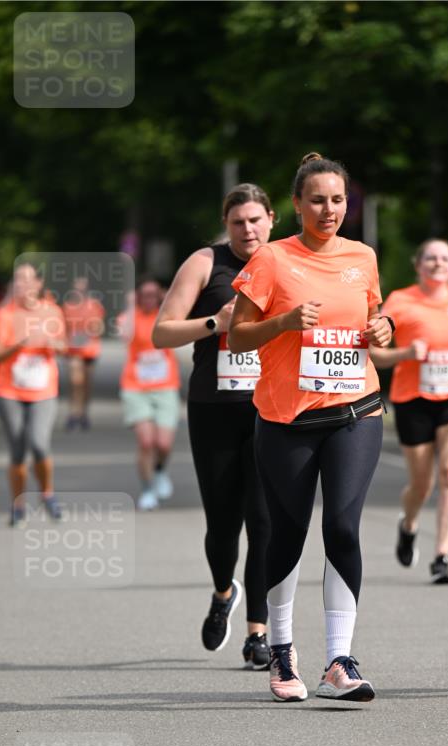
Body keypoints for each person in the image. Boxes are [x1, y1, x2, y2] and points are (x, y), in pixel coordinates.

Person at [228, 152, 393, 703]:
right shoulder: (273, 259)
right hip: (286, 419)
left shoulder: (363, 256)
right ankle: (280, 650)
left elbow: (374, 320)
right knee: (289, 533)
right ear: (296, 205)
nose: (329, 210)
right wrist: (283, 322)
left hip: (356, 409)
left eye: (338, 200)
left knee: (343, 526)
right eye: (318, 200)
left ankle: (340, 661)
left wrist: (383, 329)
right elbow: (238, 338)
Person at [153, 184, 275, 668]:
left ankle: (258, 634)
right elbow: (162, 331)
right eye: (237, 222)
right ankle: (224, 591)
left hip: (272, 409)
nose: (247, 229)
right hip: (214, 408)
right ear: (227, 225)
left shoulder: (290, 262)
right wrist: (215, 323)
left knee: (264, 524)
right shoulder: (206, 262)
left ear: (272, 220)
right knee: (223, 524)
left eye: (255, 220)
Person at [370, 240, 448, 584]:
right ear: (418, 265)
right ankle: (408, 524)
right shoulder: (400, 302)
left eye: (445, 258)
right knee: (422, 484)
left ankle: (442, 557)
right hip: (413, 398)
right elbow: (377, 355)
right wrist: (405, 353)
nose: (438, 263)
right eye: (431, 258)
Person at [0, 262, 67, 525]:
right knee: (18, 450)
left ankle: (47, 494)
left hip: (43, 390)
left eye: (27, 279)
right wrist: (19, 343)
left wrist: (52, 343)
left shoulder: (52, 311)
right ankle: (18, 503)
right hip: (9, 390)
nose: (22, 284)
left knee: (39, 444)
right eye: (18, 279)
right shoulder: (6, 315)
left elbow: (64, 346)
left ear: (38, 283)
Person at [118, 279, 180, 511]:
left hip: (165, 386)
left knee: (163, 444)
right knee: (146, 442)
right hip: (136, 387)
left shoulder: (167, 316)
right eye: (144, 294)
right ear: (137, 296)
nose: (149, 299)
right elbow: (123, 334)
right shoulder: (130, 317)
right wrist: (129, 305)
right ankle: (147, 489)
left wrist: (168, 300)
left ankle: (161, 470)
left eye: (154, 294)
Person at [63, 275, 105, 430]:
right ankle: (73, 413)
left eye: (83, 286)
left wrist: (91, 329)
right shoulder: (67, 306)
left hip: (90, 348)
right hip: (73, 349)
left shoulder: (94, 306)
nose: (80, 288)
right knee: (75, 382)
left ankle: (83, 413)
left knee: (86, 384)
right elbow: (63, 328)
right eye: (77, 285)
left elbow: (99, 327)